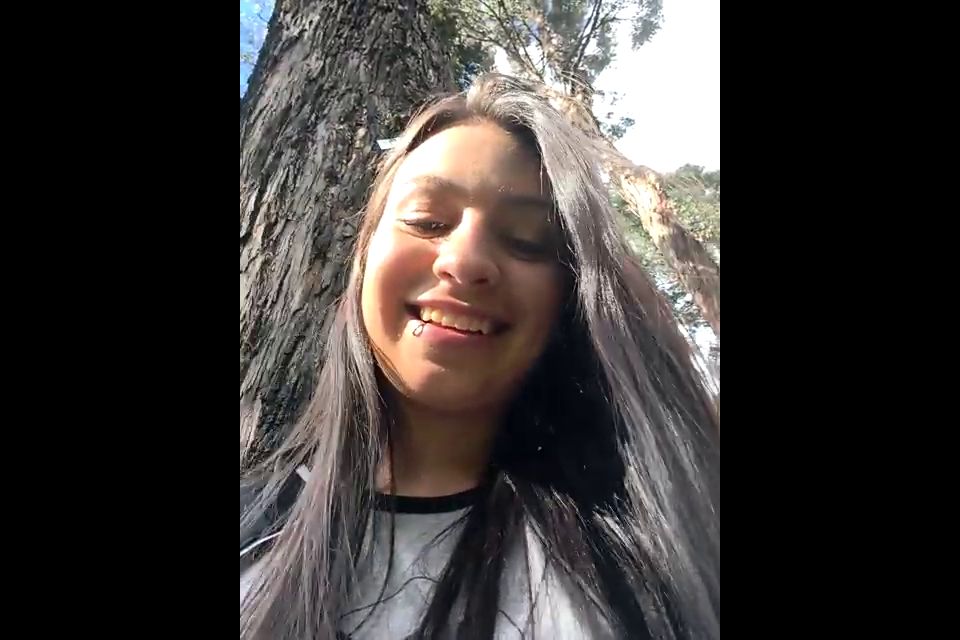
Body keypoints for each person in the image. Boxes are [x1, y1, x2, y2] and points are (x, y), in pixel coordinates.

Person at [240, 73, 720, 640]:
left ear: (570, 300)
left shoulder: (657, 548)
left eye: (526, 240)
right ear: (363, 258)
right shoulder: (254, 528)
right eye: (427, 221)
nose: (464, 261)